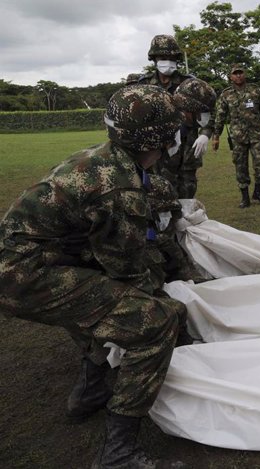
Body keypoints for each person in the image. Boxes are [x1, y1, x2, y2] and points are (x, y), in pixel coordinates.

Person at [0, 85, 189, 468]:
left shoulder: (106, 159)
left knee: (99, 298)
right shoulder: (120, 188)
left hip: (31, 262)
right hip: (24, 275)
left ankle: (88, 394)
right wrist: (173, 308)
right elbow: (130, 270)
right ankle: (118, 454)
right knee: (155, 320)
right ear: (164, 137)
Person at [212, 64, 260, 208]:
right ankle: (245, 197)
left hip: (256, 135)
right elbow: (220, 117)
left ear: (244, 74)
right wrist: (216, 136)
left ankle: (258, 192)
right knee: (240, 167)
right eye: (235, 73)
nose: (238, 75)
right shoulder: (226, 94)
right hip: (238, 137)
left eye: (241, 73)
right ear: (231, 77)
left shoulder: (255, 90)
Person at [160, 77, 217, 198]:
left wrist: (205, 134)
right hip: (163, 185)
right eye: (200, 113)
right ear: (187, 107)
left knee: (188, 187)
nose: (203, 118)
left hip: (188, 155)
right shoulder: (161, 126)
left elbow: (212, 118)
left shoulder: (190, 118)